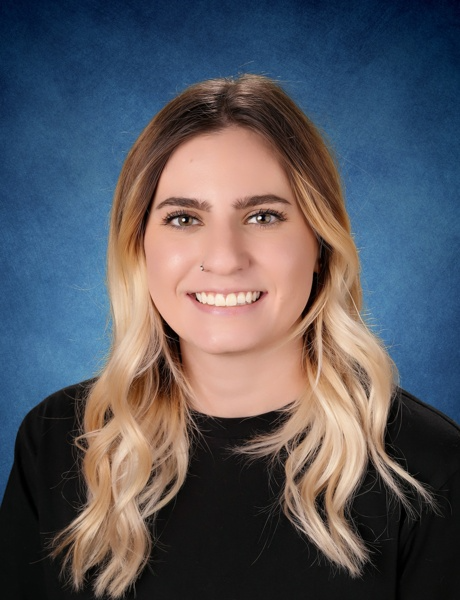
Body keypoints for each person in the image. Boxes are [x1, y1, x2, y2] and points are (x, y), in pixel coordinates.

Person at [0, 74, 459, 600]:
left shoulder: (428, 469)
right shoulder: (58, 443)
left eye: (263, 216)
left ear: (320, 244)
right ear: (138, 246)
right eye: (183, 218)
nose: (223, 258)